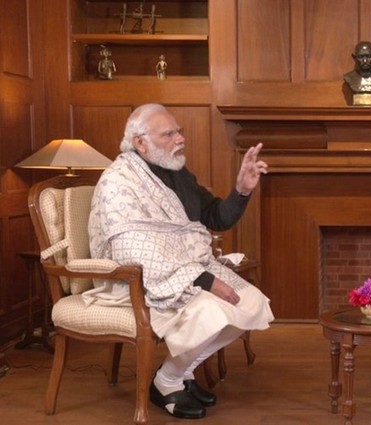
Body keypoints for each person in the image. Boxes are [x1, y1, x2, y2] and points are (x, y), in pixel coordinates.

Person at [87, 103, 275, 419]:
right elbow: (133, 249)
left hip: (185, 269)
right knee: (213, 310)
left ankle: (177, 375)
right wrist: (206, 281)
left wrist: (241, 190)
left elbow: (216, 216)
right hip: (137, 280)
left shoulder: (179, 173)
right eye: (169, 134)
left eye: (180, 131)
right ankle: (167, 383)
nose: (180, 139)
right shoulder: (118, 181)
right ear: (140, 142)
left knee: (251, 302)